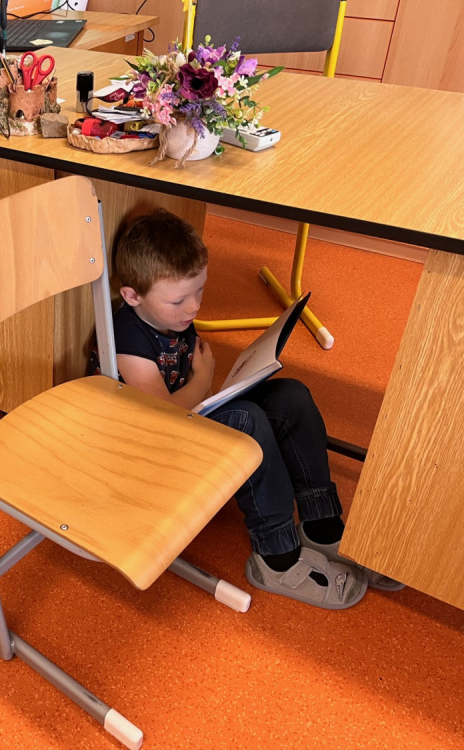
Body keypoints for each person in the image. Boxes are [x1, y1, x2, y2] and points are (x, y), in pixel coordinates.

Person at [109, 209, 403, 609]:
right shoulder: (128, 334)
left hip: (188, 417)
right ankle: (276, 557)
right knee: (247, 421)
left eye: (199, 290)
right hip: (151, 443)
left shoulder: (169, 316)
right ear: (133, 296)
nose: (193, 307)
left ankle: (321, 523)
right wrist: (204, 379)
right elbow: (162, 417)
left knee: (291, 396)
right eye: (179, 299)